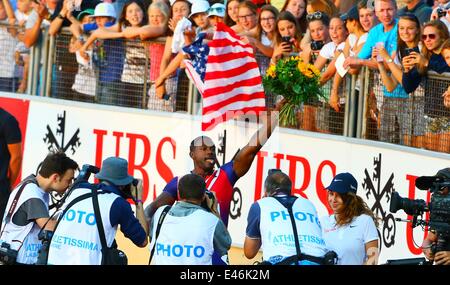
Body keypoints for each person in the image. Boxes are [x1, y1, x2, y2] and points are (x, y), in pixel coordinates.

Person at [146, 106, 279, 228]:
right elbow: (153, 208)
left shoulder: (226, 174)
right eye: (203, 149)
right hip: (189, 252)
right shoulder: (180, 182)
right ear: (192, 154)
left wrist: (273, 118)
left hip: (216, 253)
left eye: (212, 149)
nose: (209, 152)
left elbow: (252, 148)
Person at [46, 156, 149, 265]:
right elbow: (142, 241)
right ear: (123, 185)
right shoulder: (118, 204)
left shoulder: (77, 189)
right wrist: (138, 200)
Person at [0, 151, 78, 265]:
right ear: (55, 177)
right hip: (16, 260)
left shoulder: (34, 186)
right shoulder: (32, 193)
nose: (70, 185)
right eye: (69, 180)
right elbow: (49, 226)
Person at [244, 169, 328, 265]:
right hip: (317, 262)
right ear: (290, 189)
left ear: (266, 191)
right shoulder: (308, 204)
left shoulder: (260, 205)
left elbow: (249, 252)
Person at [149, 173, 231, 265]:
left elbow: (152, 238)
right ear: (204, 196)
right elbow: (225, 244)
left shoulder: (160, 214)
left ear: (179, 193)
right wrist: (214, 210)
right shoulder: (211, 220)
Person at [320, 172, 379, 265]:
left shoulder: (365, 221)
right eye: (331, 194)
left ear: (349, 198)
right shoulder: (323, 222)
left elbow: (373, 259)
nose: (333, 199)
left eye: (339, 195)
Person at [421, 167, 450, 265]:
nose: (438, 191)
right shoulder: (440, 207)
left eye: (441, 187)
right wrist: (427, 247)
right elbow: (430, 238)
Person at [0, 108, 22, 229]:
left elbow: (16, 157)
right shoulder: (8, 121)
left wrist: (9, 183)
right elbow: (17, 157)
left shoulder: (8, 121)